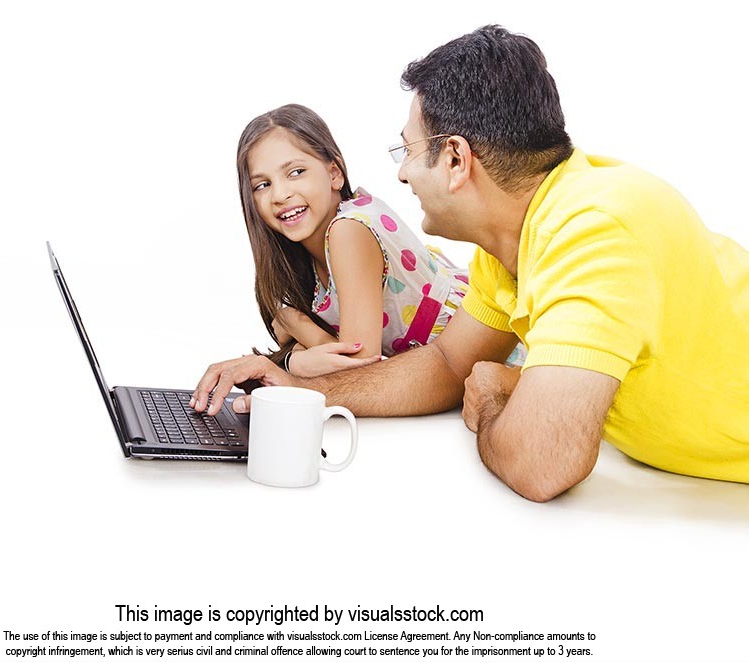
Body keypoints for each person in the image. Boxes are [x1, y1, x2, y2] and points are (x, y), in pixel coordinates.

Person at [191, 26, 749, 501]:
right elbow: (446, 366)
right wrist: (292, 387)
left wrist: (496, 395)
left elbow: (540, 463)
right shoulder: (510, 238)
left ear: (455, 158)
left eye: (407, 150)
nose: (403, 175)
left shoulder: (597, 230)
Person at [235, 104, 518, 378]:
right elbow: (342, 354)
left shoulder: (348, 230)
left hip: (495, 358)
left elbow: (357, 367)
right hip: (438, 373)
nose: (280, 194)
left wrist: (294, 327)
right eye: (262, 185)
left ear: (335, 173)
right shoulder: (310, 256)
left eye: (296, 172)